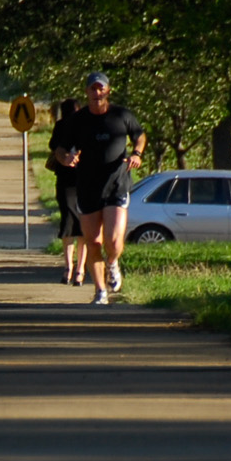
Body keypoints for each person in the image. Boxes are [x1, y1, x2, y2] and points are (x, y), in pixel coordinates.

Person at [49, 73, 145, 305]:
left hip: (117, 184)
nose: (96, 93)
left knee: (112, 240)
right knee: (92, 242)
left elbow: (139, 136)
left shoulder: (121, 115)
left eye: (100, 89)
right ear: (86, 92)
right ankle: (100, 291)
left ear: (108, 91)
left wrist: (137, 154)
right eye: (92, 89)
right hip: (88, 187)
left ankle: (113, 263)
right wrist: (65, 158)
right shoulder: (77, 120)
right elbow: (60, 149)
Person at [45, 98, 86, 285]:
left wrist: (79, 154)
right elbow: (53, 146)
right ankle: (69, 267)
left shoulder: (87, 126)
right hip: (65, 180)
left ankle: (80, 269)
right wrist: (66, 156)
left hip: (84, 181)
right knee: (69, 223)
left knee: (83, 225)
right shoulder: (61, 126)